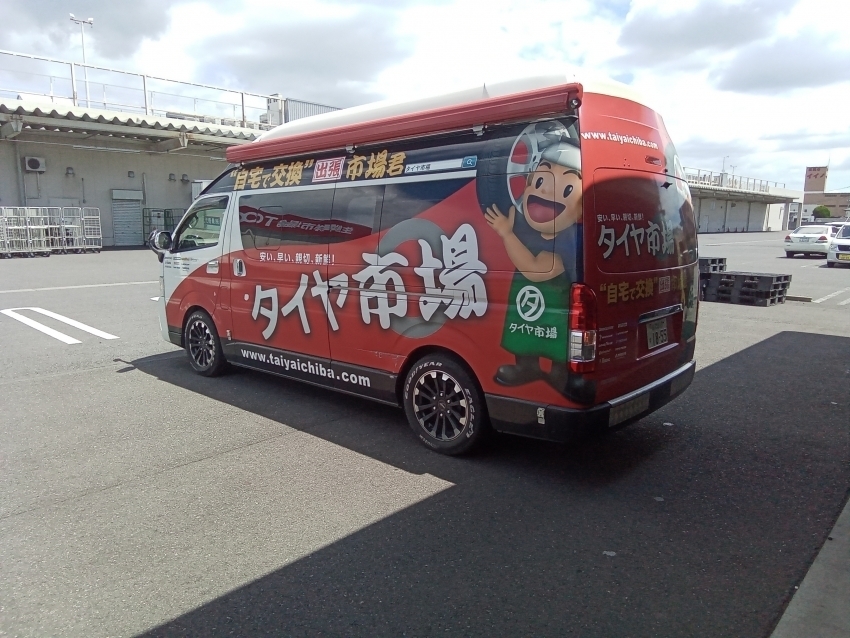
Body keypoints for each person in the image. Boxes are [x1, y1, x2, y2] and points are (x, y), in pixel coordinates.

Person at [485, 131, 584, 395]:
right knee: (523, 333)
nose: (545, 191)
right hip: (525, 301)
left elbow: (535, 269)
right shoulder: (527, 229)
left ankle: (560, 373)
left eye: (567, 189)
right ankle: (526, 366)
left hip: (554, 302)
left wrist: (506, 234)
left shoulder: (566, 242)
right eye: (539, 180)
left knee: (557, 337)